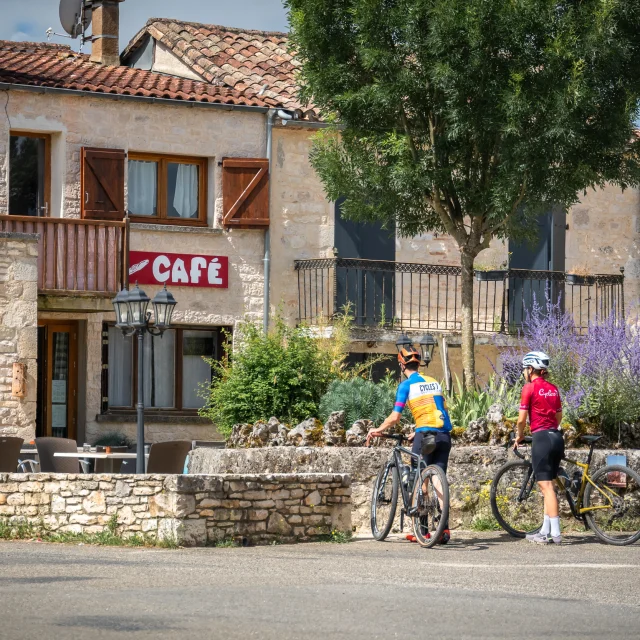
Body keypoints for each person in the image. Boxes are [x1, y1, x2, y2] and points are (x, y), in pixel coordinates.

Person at [365, 345, 453, 544]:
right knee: (438, 478)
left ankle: (423, 531)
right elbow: (440, 410)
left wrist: (378, 429)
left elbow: (395, 417)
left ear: (401, 365)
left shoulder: (406, 385)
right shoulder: (434, 382)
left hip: (426, 436)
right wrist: (418, 429)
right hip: (444, 435)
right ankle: (444, 529)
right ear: (418, 363)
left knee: (419, 478)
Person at [514, 351, 564, 544]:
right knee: (549, 485)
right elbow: (559, 417)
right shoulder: (553, 388)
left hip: (541, 438)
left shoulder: (529, 388)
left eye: (525, 369)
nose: (524, 372)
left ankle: (556, 534)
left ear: (531, 369)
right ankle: (545, 531)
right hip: (556, 437)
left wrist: (519, 435)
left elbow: (521, 419)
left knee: (546, 487)